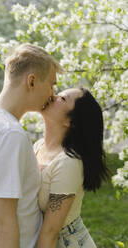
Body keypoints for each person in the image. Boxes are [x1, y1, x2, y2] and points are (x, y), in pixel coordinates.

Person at [0, 43, 63, 248]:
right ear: (32, 81)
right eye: (52, 85)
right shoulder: (6, 133)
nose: (53, 94)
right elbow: (0, 224)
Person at [34, 87, 110, 248]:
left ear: (71, 121)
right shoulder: (38, 146)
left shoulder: (68, 163)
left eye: (62, 98)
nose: (52, 96)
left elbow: (50, 232)